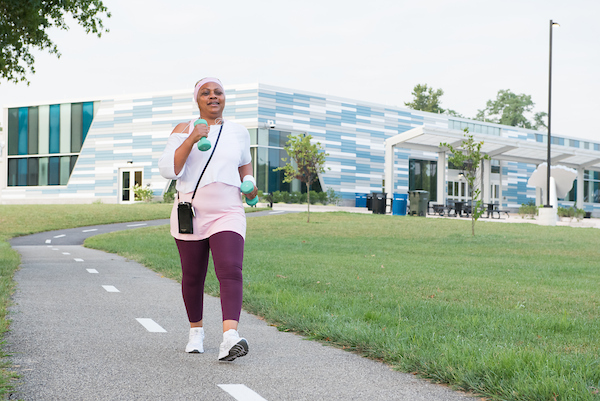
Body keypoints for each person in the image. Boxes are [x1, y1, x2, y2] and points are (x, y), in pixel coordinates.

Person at [158, 77, 258, 362]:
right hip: (192, 211)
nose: (213, 96)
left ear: (225, 98)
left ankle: (229, 338)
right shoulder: (183, 129)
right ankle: (196, 332)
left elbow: (244, 166)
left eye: (218, 92)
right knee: (193, 276)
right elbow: (170, 169)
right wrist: (192, 138)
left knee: (230, 269)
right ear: (197, 99)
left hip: (228, 210)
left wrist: (250, 184)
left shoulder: (238, 132)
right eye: (206, 93)